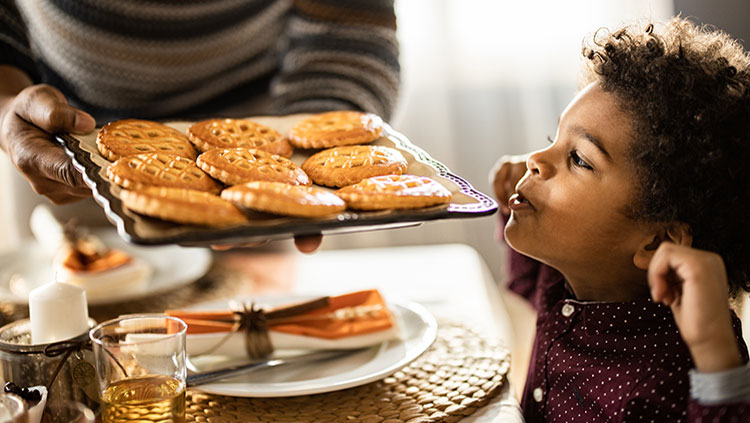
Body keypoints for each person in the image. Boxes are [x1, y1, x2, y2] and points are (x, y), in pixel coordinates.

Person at [491, 17, 750, 422]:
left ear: (655, 243)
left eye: (579, 158)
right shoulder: (572, 278)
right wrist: (516, 208)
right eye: (551, 140)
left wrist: (716, 358)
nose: (535, 160)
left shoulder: (678, 372)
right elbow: (526, 281)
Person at [0, 0, 399, 250]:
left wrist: (314, 160)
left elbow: (349, 31)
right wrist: (5, 109)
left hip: (263, 194)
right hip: (65, 162)